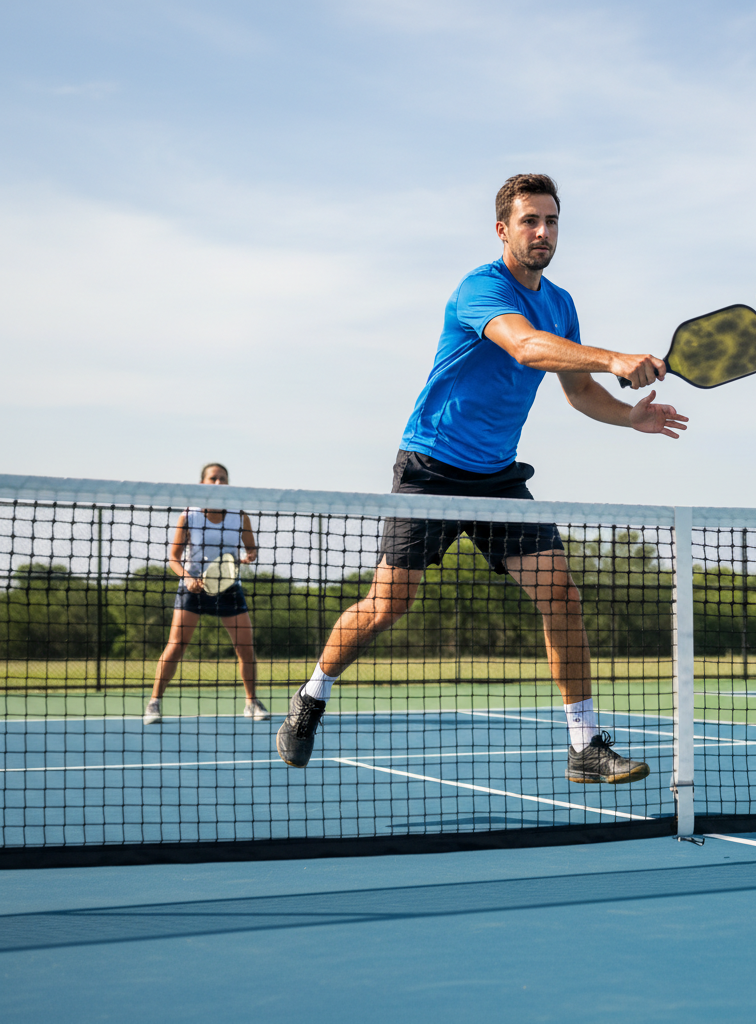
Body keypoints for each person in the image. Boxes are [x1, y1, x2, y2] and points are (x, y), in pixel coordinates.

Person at [276, 173, 688, 782]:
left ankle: (584, 746)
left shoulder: (562, 302)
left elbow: (577, 392)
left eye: (551, 221)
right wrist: (614, 357)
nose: (543, 232)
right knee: (390, 602)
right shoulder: (480, 288)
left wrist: (630, 416)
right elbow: (526, 348)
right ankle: (311, 697)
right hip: (431, 467)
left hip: (496, 478)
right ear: (503, 229)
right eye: (530, 221)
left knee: (561, 594)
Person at [143, 463, 269, 724]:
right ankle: (154, 703)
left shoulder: (240, 516)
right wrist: (188, 578)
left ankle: (251, 702)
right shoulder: (188, 516)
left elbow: (251, 549)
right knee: (176, 646)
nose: (218, 483)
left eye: (223, 479)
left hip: (229, 587)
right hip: (192, 588)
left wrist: (249, 556)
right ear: (202, 483)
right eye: (213, 478)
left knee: (245, 647)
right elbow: (174, 559)